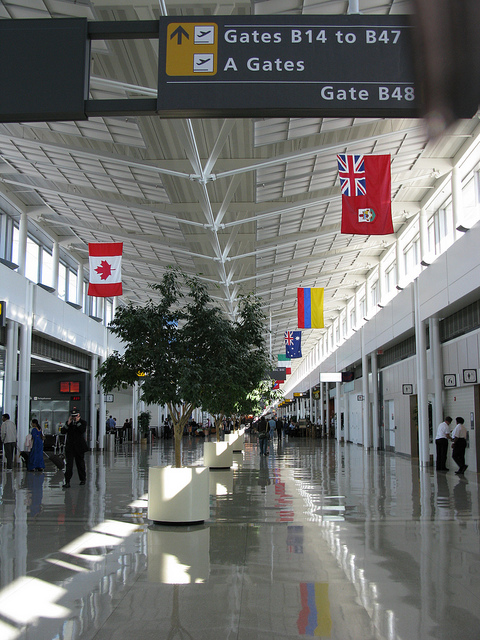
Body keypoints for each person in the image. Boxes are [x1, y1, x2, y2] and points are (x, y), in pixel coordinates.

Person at [61, 407, 88, 488]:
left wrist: (77, 422)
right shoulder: (69, 423)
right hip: (70, 447)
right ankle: (67, 481)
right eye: (73, 416)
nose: (74, 417)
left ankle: (82, 479)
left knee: (80, 464)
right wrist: (68, 424)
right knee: (69, 465)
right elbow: (63, 431)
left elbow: (82, 430)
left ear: (78, 415)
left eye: (75, 416)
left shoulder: (83, 422)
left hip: (79, 447)